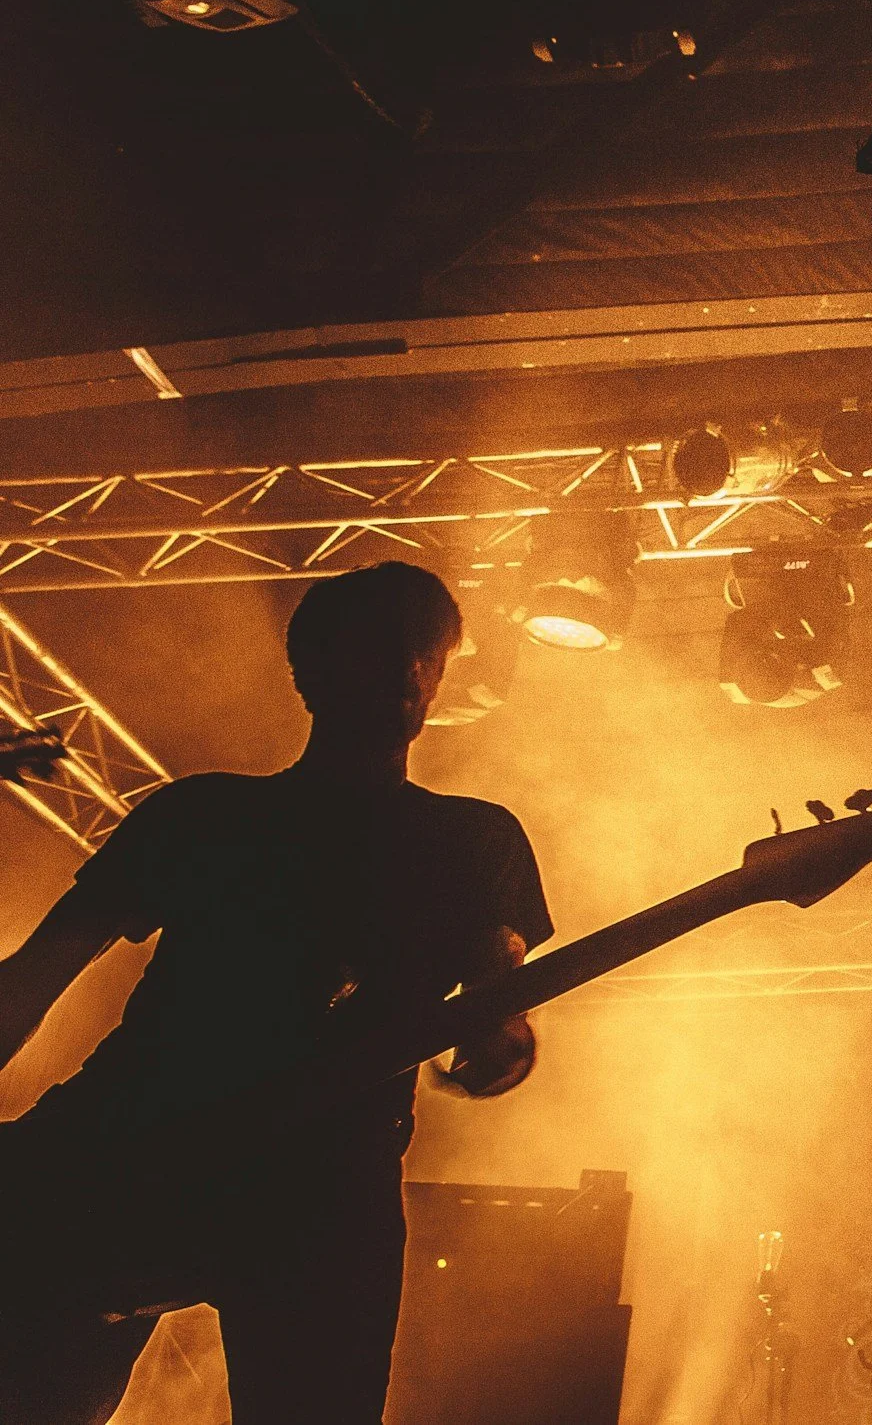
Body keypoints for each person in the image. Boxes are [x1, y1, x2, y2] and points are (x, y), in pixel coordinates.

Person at [0, 561, 554, 1425]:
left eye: (427, 654)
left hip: (322, 1188)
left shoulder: (477, 839)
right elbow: (33, 978)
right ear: (312, 673)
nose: (410, 673)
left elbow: (499, 1001)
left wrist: (501, 1043)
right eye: (386, 648)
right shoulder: (201, 816)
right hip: (127, 1147)